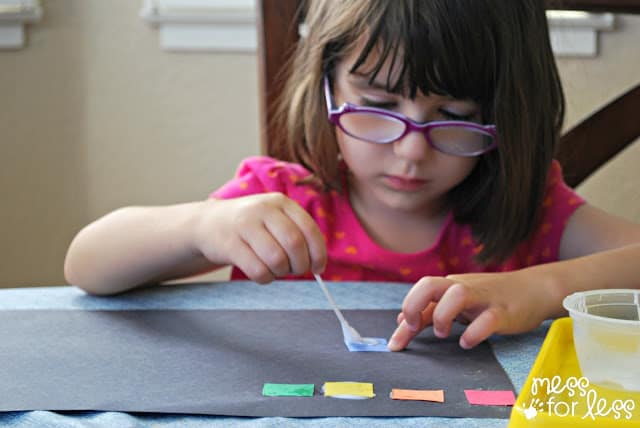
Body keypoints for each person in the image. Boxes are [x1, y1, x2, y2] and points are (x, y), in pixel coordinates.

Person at [64, 0, 640, 352]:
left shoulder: (533, 217)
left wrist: (540, 290)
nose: (411, 152)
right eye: (377, 106)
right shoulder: (282, 199)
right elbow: (87, 264)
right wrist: (201, 225)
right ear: (328, 89)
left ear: (508, 115)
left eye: (456, 118)